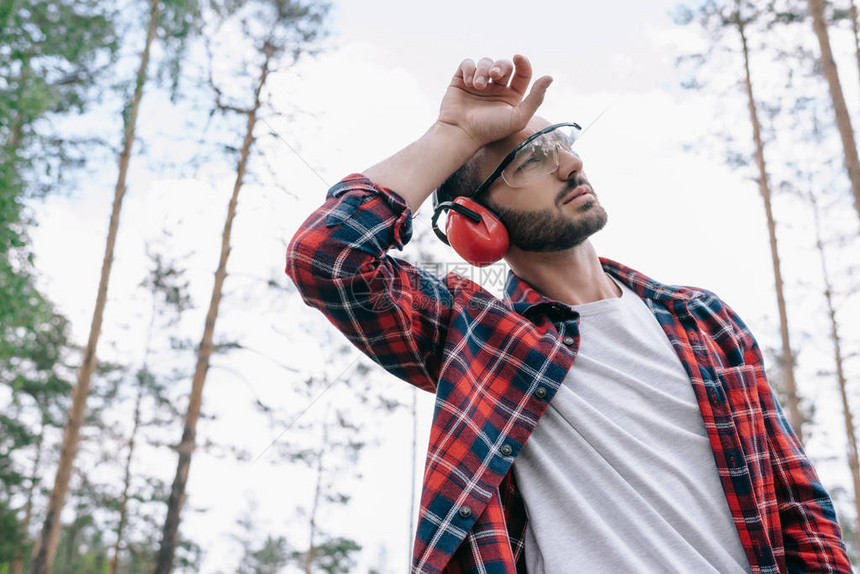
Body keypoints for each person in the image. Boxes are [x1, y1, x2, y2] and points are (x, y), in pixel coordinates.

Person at [286, 55, 851, 573]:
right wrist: (454, 134)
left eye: (561, 143)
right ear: (473, 224)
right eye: (529, 159)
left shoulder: (704, 319)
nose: (570, 164)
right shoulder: (475, 337)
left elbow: (797, 504)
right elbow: (327, 258)